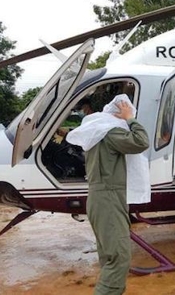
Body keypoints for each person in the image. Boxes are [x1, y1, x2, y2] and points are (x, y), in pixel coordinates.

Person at [66, 94, 150, 294]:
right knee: (119, 257)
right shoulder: (110, 132)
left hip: (102, 197)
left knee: (108, 256)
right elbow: (141, 141)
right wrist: (130, 118)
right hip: (109, 197)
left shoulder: (98, 131)